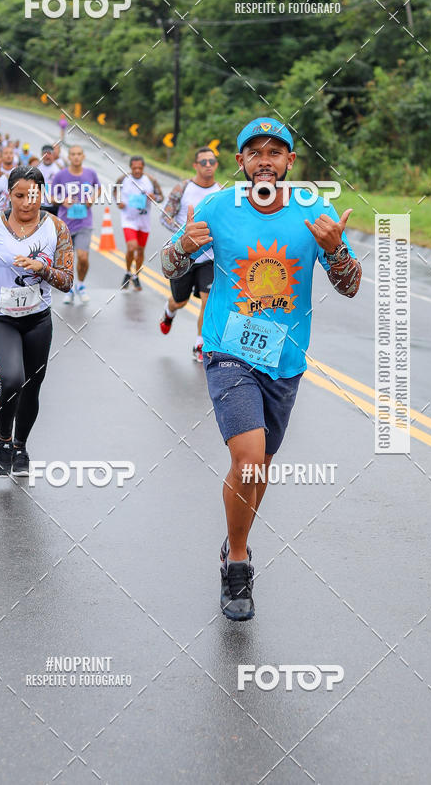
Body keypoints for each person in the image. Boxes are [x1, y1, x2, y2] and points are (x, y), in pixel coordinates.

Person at [161, 117, 362, 621]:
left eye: (276, 151)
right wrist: (182, 249)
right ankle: (238, 564)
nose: (265, 159)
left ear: (291, 162)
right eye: (255, 152)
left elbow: (351, 286)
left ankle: (237, 543)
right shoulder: (218, 207)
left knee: (259, 467)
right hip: (228, 350)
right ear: (241, 162)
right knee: (247, 455)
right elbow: (169, 266)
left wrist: (336, 249)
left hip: (286, 359)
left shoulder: (314, 211)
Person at [0, 166, 73, 477]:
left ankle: (21, 445)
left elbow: (66, 281)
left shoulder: (56, 228)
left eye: (33, 195)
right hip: (2, 319)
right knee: (11, 380)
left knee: (32, 387)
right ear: (8, 195)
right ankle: (3, 440)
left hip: (37, 320)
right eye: (19, 195)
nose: (26, 203)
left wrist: (42, 268)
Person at [159, 146, 222, 361]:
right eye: (203, 162)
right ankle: (169, 312)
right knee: (180, 301)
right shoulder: (183, 188)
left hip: (209, 258)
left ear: (216, 165)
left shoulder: (221, 192)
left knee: (208, 299)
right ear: (195, 165)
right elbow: (164, 217)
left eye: (211, 162)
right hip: (184, 256)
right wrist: (184, 235)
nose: (207, 166)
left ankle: (199, 344)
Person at [51, 145, 101, 304]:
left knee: (83, 257)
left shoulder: (90, 173)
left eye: (79, 154)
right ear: (69, 157)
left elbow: (98, 188)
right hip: (65, 224)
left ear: (83, 156)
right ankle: (70, 288)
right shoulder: (60, 175)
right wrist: (62, 201)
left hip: (84, 222)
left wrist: (92, 198)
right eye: (73, 154)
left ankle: (81, 285)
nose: (76, 157)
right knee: (68, 260)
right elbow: (51, 196)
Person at [115, 155, 163, 291]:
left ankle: (135, 276)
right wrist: (119, 202)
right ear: (130, 167)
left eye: (139, 168)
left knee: (140, 250)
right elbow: (114, 190)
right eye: (134, 168)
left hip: (144, 221)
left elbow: (161, 197)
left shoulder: (150, 181)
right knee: (132, 247)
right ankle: (127, 271)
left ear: (143, 168)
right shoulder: (123, 179)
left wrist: (155, 197)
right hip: (128, 219)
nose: (137, 170)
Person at [36, 144, 60, 216]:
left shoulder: (57, 170)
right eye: (45, 153)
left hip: (53, 206)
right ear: (41, 155)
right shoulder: (37, 169)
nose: (47, 156)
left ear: (53, 155)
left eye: (49, 153)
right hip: (40, 206)